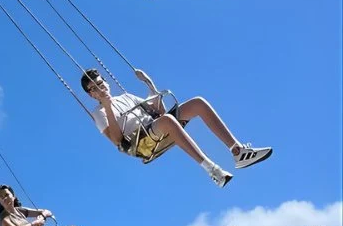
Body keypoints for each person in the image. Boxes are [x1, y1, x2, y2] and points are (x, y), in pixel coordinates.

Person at [81, 68, 271, 188]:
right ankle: (212, 170)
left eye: (100, 83)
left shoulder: (127, 97)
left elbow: (159, 112)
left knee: (197, 103)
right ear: (91, 95)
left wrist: (149, 84)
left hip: (158, 128)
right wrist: (107, 107)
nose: (100, 88)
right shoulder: (99, 113)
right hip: (139, 144)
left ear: (106, 82)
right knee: (167, 121)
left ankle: (238, 151)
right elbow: (117, 140)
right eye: (94, 88)